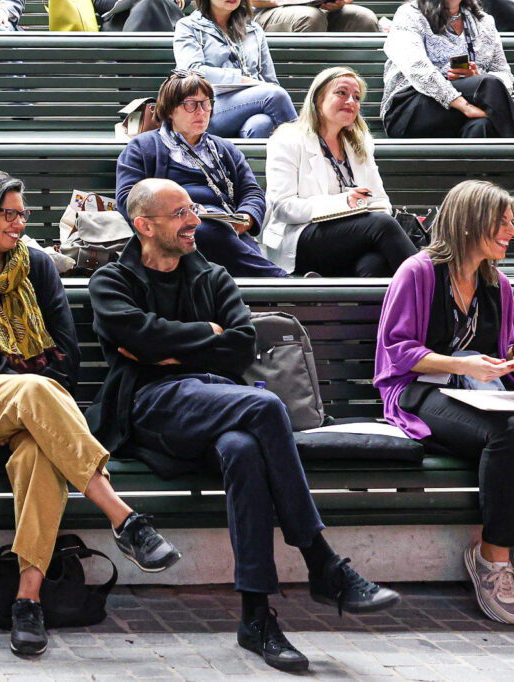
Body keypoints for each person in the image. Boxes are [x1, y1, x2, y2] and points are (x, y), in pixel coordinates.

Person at [87, 177, 400, 673]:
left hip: (218, 401)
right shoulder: (112, 282)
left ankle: (256, 619)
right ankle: (321, 560)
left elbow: (240, 344)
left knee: (244, 451)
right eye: (179, 214)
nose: (194, 221)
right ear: (144, 226)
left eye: (193, 209)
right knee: (265, 406)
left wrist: (171, 345)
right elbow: (136, 338)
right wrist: (201, 334)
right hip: (152, 407)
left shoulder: (211, 276)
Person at [0, 169, 181, 658]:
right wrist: (20, 371)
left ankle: (27, 601)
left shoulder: (37, 266)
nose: (20, 223)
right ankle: (124, 519)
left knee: (41, 454)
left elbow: (67, 355)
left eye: (23, 213)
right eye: (9, 214)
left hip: (37, 414)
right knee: (36, 389)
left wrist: (29, 377)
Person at [375, 179, 514, 626]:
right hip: (421, 389)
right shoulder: (418, 272)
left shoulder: (496, 281)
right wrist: (462, 365)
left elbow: (502, 355)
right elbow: (397, 350)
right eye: (503, 223)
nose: (513, 232)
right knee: (513, 434)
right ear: (471, 224)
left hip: (485, 393)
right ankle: (493, 557)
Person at [117, 70, 287, 278]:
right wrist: (174, 217)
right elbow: (127, 199)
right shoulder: (142, 147)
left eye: (206, 103)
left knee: (231, 238)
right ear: (170, 109)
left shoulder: (225, 149)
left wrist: (246, 218)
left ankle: (271, 293)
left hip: (226, 226)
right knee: (210, 232)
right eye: (191, 104)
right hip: (176, 228)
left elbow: (252, 192)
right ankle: (281, 281)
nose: (201, 111)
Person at [262, 67, 418, 277]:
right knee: (382, 225)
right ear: (318, 100)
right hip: (300, 237)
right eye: (341, 93)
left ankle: (374, 310)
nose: (351, 101)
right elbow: (283, 207)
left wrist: (360, 209)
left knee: (375, 264)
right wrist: (344, 203)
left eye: (356, 97)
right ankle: (435, 295)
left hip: (354, 238)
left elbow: (381, 201)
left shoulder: (360, 144)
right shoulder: (287, 140)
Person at [381, 0, 514, 138]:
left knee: (481, 127)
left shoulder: (484, 22)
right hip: (410, 109)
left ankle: (474, 169)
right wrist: (464, 105)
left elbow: (504, 73)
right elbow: (417, 67)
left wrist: (477, 76)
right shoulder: (410, 14)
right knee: (488, 84)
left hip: (467, 109)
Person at [173, 0, 297, 138]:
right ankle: (307, 150)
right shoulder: (188, 26)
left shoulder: (253, 29)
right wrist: (240, 79)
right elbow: (191, 70)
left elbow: (269, 80)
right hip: (207, 107)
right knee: (275, 95)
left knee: (261, 125)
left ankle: (249, 160)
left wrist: (257, 87)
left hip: (252, 104)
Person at [250, 0, 379, 32]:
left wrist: (340, 2)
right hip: (264, 12)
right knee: (310, 17)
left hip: (319, 8)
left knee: (363, 17)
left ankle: (353, 90)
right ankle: (305, 90)